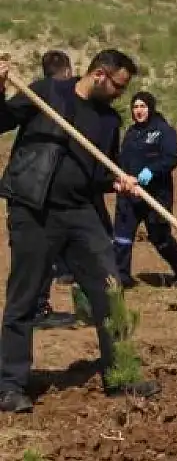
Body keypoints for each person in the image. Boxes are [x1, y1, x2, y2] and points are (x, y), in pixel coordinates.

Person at [0, 49, 160, 414]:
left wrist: (118, 182)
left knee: (110, 293)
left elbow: (100, 172)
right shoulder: (49, 92)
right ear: (100, 74)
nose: (122, 94)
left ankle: (120, 376)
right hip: (35, 209)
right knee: (24, 299)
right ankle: (10, 385)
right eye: (119, 85)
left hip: (82, 214)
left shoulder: (107, 121)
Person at [113, 91, 177, 288]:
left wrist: (151, 171)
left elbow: (171, 157)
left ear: (150, 107)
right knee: (122, 236)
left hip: (155, 194)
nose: (138, 111)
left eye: (142, 106)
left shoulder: (163, 131)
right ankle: (121, 276)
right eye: (135, 107)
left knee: (160, 237)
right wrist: (121, 179)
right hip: (130, 193)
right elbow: (122, 160)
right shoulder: (131, 133)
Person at [31, 50, 80, 329]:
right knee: (44, 249)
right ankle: (38, 308)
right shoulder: (59, 92)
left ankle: (39, 305)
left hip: (40, 186)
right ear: (68, 70)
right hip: (47, 186)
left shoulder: (40, 91)